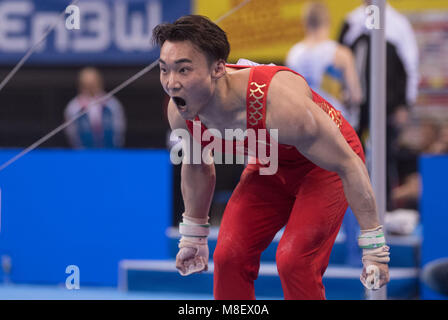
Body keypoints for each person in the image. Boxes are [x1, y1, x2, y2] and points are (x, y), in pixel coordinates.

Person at [153, 15, 390, 299]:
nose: (171, 83)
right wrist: (194, 234)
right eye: (164, 70)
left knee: (294, 260)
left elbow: (348, 164)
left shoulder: (277, 104)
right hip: (269, 164)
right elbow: (197, 165)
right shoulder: (180, 113)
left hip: (325, 167)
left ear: (217, 69)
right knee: (228, 256)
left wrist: (374, 249)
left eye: (183, 70)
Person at [338, 1, 419, 211]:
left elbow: (411, 64)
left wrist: (405, 103)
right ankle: (350, 209)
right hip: (357, 106)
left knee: (384, 157)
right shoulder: (352, 21)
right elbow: (340, 59)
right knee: (350, 157)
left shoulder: (397, 24)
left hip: (387, 105)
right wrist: (344, 90)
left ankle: (385, 209)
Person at [286, 1, 362, 131]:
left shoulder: (293, 54)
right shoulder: (341, 54)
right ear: (328, 21)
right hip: (335, 122)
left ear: (305, 22)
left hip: (305, 121)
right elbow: (356, 96)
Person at [64, 67, 126, 148]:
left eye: (93, 84)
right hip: (83, 154)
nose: (90, 87)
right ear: (80, 85)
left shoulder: (112, 103)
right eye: (86, 84)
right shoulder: (73, 107)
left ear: (99, 83)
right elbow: (71, 133)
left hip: (110, 152)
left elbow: (119, 129)